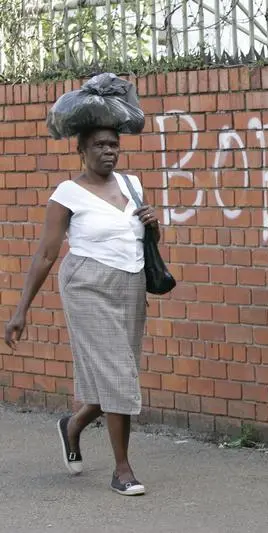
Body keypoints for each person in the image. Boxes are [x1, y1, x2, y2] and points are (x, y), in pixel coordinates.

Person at [4, 127, 160, 497]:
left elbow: (140, 240)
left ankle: (73, 426)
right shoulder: (67, 194)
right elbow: (45, 254)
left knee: (121, 373)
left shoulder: (132, 185)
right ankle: (122, 469)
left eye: (113, 145)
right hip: (87, 285)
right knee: (119, 373)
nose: (109, 151)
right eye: (99, 145)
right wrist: (21, 310)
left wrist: (154, 225)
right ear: (81, 151)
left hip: (132, 284)